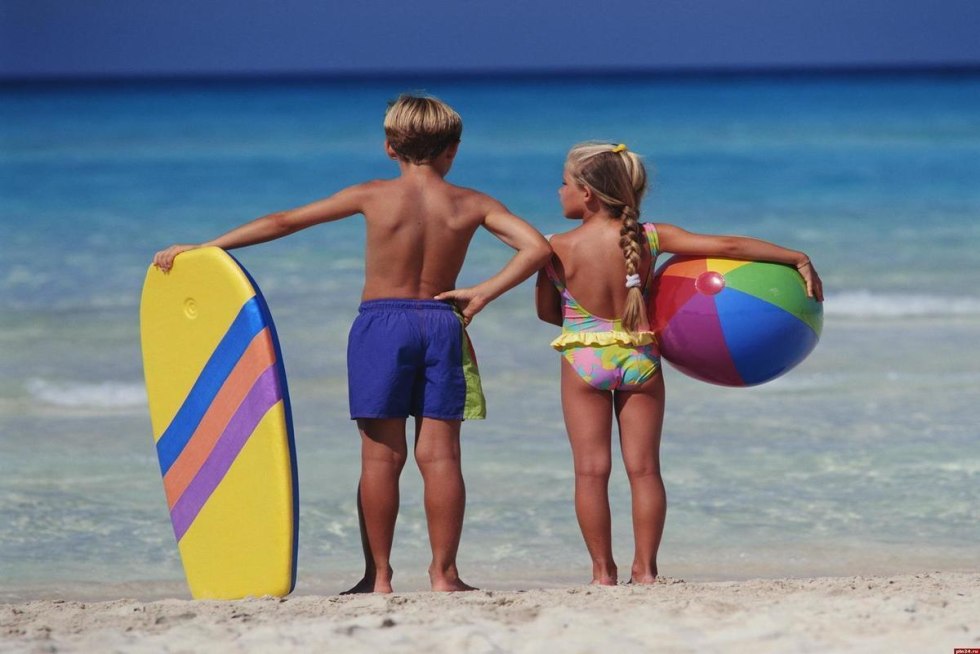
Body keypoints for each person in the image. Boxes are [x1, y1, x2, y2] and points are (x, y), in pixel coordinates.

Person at [154, 93, 551, 593]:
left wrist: (207, 248)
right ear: (452, 150)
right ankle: (444, 575)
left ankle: (378, 576)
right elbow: (536, 247)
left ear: (389, 147)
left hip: (381, 326)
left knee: (380, 457)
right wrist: (484, 292)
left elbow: (285, 221)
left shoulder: (372, 195)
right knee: (442, 457)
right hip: (442, 322)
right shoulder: (474, 204)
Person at [535, 141, 823, 586]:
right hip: (640, 357)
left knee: (591, 472)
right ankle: (646, 571)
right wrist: (796, 257)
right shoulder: (650, 237)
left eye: (564, 183)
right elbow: (727, 244)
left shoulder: (555, 246)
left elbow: (547, 313)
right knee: (645, 469)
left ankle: (601, 573)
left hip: (583, 360)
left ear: (587, 194)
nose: (559, 192)